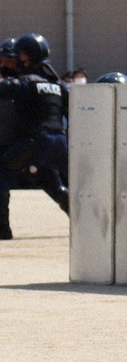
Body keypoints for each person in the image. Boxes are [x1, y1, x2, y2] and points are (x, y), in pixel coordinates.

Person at [0, 33, 69, 239]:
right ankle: (90, 225)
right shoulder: (57, 85)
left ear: (25, 57)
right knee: (56, 186)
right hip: (60, 142)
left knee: (1, 177)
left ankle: (2, 231)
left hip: (34, 142)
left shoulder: (24, 82)